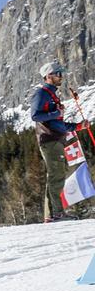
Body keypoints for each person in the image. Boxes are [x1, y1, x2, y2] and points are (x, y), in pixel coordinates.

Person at [31, 61, 88, 222]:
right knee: (56, 175)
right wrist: (55, 114)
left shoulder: (53, 95)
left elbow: (58, 123)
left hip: (56, 138)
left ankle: (52, 215)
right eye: (58, 74)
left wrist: (78, 126)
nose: (61, 76)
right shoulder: (41, 93)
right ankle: (56, 214)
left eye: (61, 73)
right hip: (49, 140)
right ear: (48, 76)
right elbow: (35, 116)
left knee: (57, 174)